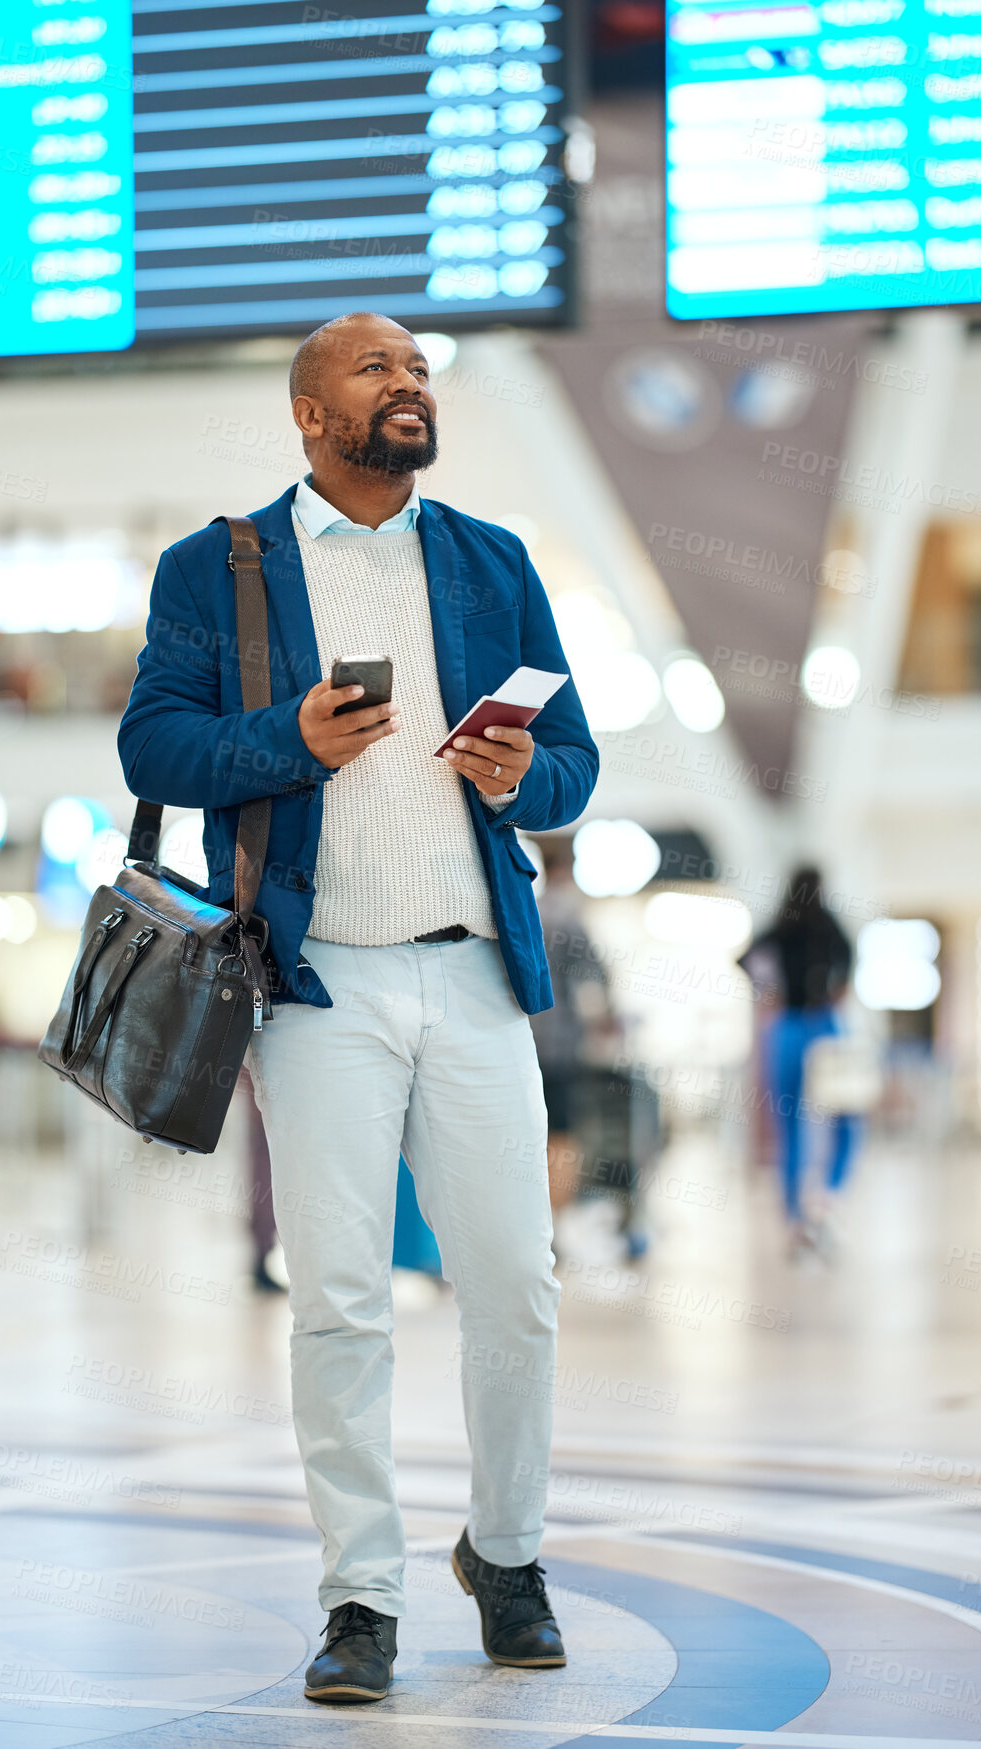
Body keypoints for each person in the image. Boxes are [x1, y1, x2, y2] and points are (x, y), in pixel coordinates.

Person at [117, 312, 599, 1705]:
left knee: (514, 1280)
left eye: (420, 369)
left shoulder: (488, 559)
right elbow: (153, 740)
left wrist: (525, 783)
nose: (410, 383)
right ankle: (359, 1595)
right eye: (376, 369)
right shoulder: (220, 568)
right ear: (311, 416)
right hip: (315, 980)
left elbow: (570, 760)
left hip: (470, 968)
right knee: (337, 1299)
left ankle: (502, 1553)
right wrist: (287, 743)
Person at [744, 866, 857, 1255]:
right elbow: (850, 961)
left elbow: (745, 959)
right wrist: (836, 991)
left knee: (790, 1122)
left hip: (790, 1026)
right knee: (844, 1117)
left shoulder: (781, 927)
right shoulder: (825, 926)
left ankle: (797, 1213)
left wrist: (769, 993)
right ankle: (825, 1197)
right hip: (818, 1024)